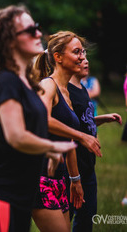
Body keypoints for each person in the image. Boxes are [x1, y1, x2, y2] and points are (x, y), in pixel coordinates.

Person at [0, 5, 77, 232]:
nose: (38, 33)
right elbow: (16, 135)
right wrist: (53, 145)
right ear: (9, 40)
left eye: (36, 27)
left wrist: (48, 150)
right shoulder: (6, 81)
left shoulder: (25, 81)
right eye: (29, 30)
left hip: (18, 193)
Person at [32, 31, 92, 232]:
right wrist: (82, 135)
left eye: (82, 51)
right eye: (76, 52)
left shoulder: (66, 91)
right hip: (40, 177)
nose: (82, 57)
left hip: (60, 177)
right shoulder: (48, 85)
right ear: (58, 57)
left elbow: (68, 140)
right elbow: (42, 119)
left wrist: (75, 180)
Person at [68, 56, 122, 231]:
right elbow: (65, 129)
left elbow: (82, 122)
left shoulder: (82, 89)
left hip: (88, 165)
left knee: (87, 216)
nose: (85, 60)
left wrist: (100, 119)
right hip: (72, 166)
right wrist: (74, 177)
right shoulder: (65, 92)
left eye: (85, 54)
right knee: (66, 218)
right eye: (78, 53)